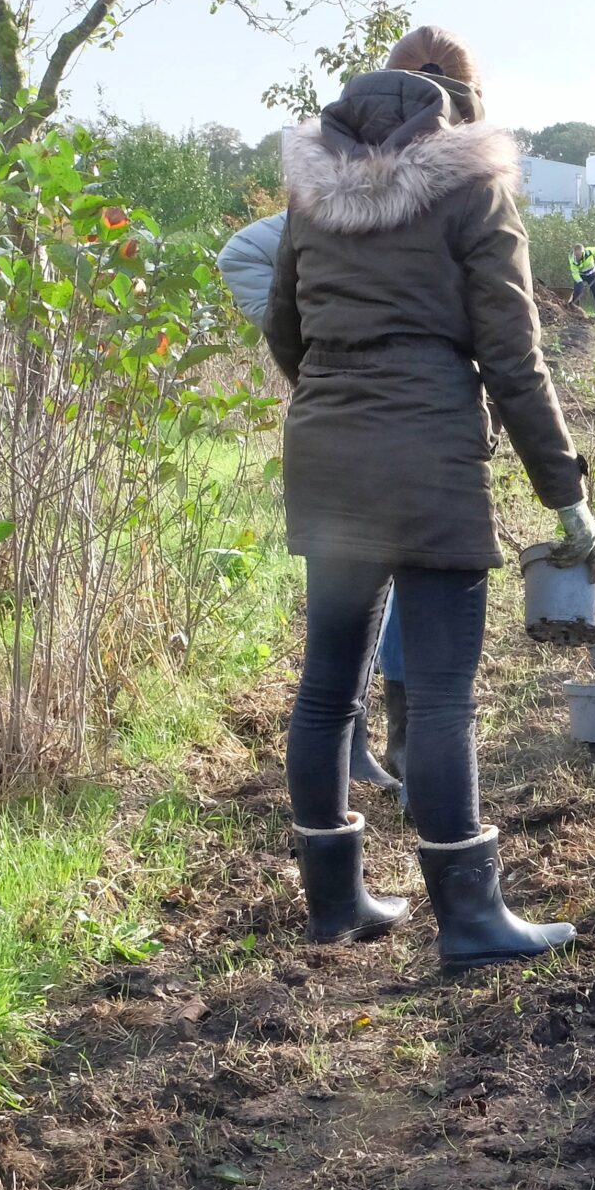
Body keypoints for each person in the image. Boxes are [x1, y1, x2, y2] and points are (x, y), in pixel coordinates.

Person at [267, 25, 595, 966]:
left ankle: (334, 904)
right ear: (461, 95)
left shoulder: (313, 179)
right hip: (428, 455)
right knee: (446, 694)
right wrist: (563, 489)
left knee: (329, 681)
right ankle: (468, 917)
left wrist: (339, 398)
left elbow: (283, 325)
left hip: (327, 448)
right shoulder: (473, 178)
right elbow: (512, 352)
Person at [218, 209, 399, 790]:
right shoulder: (333, 203)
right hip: (346, 432)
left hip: (406, 425)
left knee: (393, 596)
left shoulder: (440, 198)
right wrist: (311, 352)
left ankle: (388, 746)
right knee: (353, 608)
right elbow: (239, 254)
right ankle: (353, 749)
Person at [568, 243, 595, 317]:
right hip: (580, 276)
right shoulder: (572, 260)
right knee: (577, 293)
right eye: (576, 255)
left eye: (578, 255)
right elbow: (575, 273)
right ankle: (575, 312)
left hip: (592, 275)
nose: (577, 257)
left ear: (582, 252)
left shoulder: (589, 251)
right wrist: (580, 282)